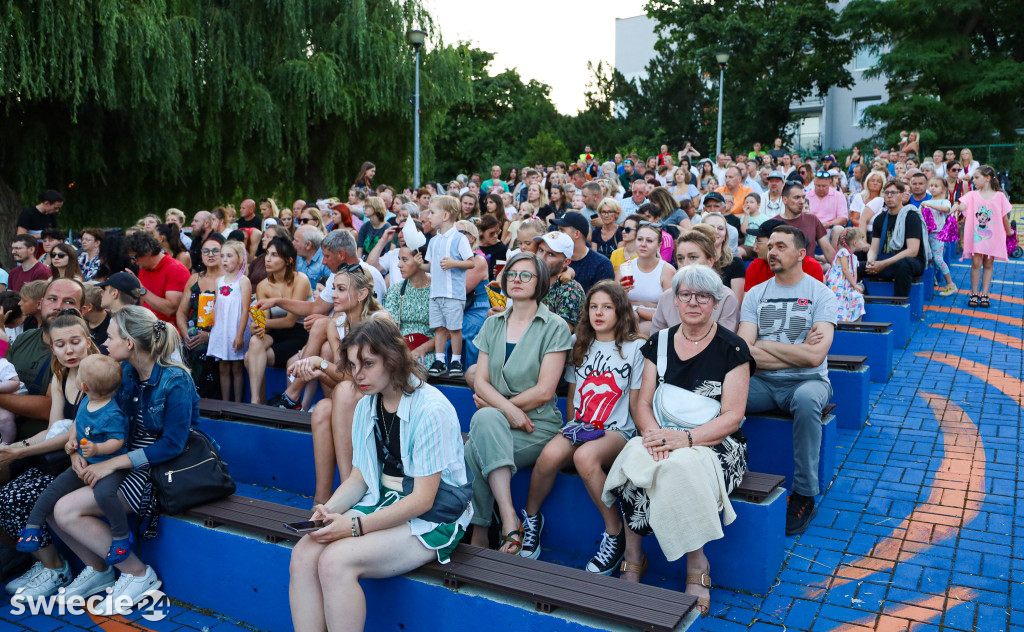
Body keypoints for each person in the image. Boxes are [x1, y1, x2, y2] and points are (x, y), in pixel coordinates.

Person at [288, 319, 471, 632]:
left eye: (368, 363)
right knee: (304, 553)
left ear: (393, 359)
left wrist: (354, 526)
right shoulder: (366, 405)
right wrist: (329, 511)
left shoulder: (431, 408)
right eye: (354, 364)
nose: (358, 374)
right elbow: (360, 478)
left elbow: (424, 499)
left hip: (436, 513)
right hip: (386, 500)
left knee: (335, 562)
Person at [604, 264, 752, 614]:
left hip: (716, 442)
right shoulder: (660, 341)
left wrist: (684, 440)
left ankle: (697, 564)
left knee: (679, 469)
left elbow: (732, 416)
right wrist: (654, 435)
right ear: (675, 299)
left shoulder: (733, 349)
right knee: (635, 459)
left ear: (716, 303)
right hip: (661, 431)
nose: (693, 302)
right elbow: (642, 402)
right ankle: (634, 553)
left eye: (703, 296)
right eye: (685, 294)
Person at [45, 306, 199, 614]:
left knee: (66, 510)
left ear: (129, 343)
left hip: (156, 468)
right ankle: (98, 570)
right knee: (48, 502)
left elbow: (172, 444)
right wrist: (77, 449)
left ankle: (138, 573)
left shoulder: (175, 380)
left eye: (111, 337)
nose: (104, 343)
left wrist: (112, 463)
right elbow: (91, 411)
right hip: (118, 457)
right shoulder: (124, 372)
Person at [518, 281, 642, 572]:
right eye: (594, 307)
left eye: (607, 307)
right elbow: (573, 396)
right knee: (549, 455)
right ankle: (532, 520)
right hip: (582, 424)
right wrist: (574, 429)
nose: (599, 313)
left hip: (617, 430)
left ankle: (615, 534)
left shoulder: (636, 348)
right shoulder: (579, 343)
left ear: (620, 310)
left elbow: (636, 403)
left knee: (583, 457)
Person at [465, 253, 572, 554]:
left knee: (472, 448)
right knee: (485, 424)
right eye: (512, 273)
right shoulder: (493, 324)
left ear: (540, 282)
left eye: (526, 275)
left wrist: (497, 407)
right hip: (503, 419)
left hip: (537, 424)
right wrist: (507, 410)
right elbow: (481, 381)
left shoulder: (554, 326)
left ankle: (481, 528)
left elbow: (544, 390)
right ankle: (510, 519)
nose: (516, 279)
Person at [738, 225, 836, 536]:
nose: (772, 251)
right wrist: (796, 350)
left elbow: (814, 358)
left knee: (807, 401)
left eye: (781, 246)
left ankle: (805, 494)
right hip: (763, 383)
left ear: (801, 254)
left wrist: (765, 345)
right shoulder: (756, 294)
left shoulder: (820, 294)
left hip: (808, 382)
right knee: (722, 392)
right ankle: (725, 472)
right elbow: (743, 353)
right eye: (770, 246)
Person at [0, 310, 99, 598]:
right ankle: (44, 563)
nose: (68, 350)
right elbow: (55, 429)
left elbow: (73, 437)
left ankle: (56, 568)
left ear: (89, 342)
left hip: (88, 460)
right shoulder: (60, 375)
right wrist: (16, 447)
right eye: (60, 344)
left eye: (75, 341)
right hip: (60, 457)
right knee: (6, 493)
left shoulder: (96, 375)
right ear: (51, 347)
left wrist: (18, 454)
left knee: (14, 496)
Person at [17, 355, 132, 566]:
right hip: (84, 464)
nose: (76, 375)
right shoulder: (87, 399)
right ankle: (33, 526)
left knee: (104, 494)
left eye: (79, 374)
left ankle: (120, 536)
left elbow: (118, 440)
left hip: (109, 467)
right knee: (53, 489)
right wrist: (72, 443)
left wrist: (98, 448)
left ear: (84, 385)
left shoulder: (112, 412)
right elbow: (78, 425)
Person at [244, 237, 312, 405]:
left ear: (288, 260)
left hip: (299, 333)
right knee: (254, 342)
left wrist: (262, 324)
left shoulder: (300, 279)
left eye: (274, 255)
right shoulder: (263, 286)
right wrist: (257, 327)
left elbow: (290, 321)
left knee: (249, 358)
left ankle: (259, 403)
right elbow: (264, 325)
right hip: (276, 334)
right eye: (267, 254)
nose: (267, 259)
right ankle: (256, 401)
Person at [652, 229, 741, 333]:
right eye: (680, 258)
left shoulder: (726, 297)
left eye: (693, 257)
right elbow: (657, 342)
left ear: (710, 261)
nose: (685, 264)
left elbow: (726, 343)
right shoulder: (666, 297)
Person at [425, 196, 474, 379]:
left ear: (445, 215)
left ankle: (455, 360)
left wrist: (454, 263)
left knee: (454, 328)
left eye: (432, 212)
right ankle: (439, 360)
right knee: (439, 328)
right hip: (435, 293)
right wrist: (417, 265)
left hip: (453, 293)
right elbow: (430, 266)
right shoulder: (434, 241)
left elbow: (471, 263)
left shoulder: (459, 239)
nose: (429, 216)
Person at [952, 165, 1012, 308]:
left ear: (988, 178)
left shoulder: (1000, 196)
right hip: (977, 237)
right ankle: (974, 292)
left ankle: (984, 293)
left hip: (993, 237)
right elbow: (962, 205)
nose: (974, 181)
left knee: (988, 264)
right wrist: (955, 207)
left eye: (977, 177)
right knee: (976, 264)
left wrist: (1009, 233)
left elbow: (1004, 218)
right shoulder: (972, 195)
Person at [175, 235, 225, 400]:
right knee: (176, 351)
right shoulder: (194, 279)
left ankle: (202, 403)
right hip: (193, 333)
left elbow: (234, 320)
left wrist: (210, 336)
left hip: (220, 336)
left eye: (215, 251)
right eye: (206, 251)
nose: (210, 254)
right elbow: (181, 313)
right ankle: (179, 400)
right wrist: (185, 334)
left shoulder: (229, 281)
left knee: (200, 353)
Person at [865, 179, 928, 298]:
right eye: (886, 193)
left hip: (910, 262)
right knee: (856, 263)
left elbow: (912, 251)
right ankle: (862, 300)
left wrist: (883, 264)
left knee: (903, 264)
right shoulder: (880, 219)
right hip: (885, 260)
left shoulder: (911, 217)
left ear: (902, 195)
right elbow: (874, 248)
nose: (889, 196)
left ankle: (898, 302)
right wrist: (871, 261)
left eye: (893, 193)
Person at [207, 241, 252, 402]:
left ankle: (238, 403)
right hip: (221, 329)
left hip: (235, 329)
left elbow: (245, 310)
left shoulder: (243, 281)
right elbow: (218, 306)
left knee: (236, 366)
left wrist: (240, 335)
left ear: (240, 259)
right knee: (223, 366)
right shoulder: (219, 281)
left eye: (229, 256)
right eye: (222, 256)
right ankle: (225, 402)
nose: (224, 260)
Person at [617, 224, 675, 336]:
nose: (643, 244)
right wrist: (620, 293)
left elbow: (670, 313)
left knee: (643, 328)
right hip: (627, 319)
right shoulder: (625, 268)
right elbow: (614, 305)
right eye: (639, 239)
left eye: (649, 241)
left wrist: (638, 310)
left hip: (656, 321)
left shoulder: (666, 270)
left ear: (659, 246)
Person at [382, 244, 434, 367]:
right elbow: (389, 328)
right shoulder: (396, 290)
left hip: (429, 349)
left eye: (404, 260)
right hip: (399, 347)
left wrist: (423, 348)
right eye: (399, 259)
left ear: (419, 259)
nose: (399, 265)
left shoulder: (436, 290)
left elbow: (446, 331)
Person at [123, 232, 190, 324]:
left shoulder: (176, 269)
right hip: (147, 325)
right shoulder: (144, 269)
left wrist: (141, 289)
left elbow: (170, 310)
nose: (132, 262)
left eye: (134, 258)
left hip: (168, 331)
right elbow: (142, 304)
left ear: (148, 252)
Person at [743, 219, 825, 292]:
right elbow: (749, 305)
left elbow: (817, 304)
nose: (754, 247)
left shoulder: (812, 266)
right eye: (770, 247)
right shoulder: (755, 267)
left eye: (759, 242)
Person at [551, 212, 614, 294]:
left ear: (577, 234)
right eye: (558, 230)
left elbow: (603, 300)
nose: (558, 234)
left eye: (562, 230)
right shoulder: (554, 258)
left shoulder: (602, 265)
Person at [778, 183, 836, 266]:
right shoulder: (774, 223)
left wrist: (841, 271)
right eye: (797, 197)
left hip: (810, 272)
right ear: (785, 200)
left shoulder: (812, 219)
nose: (802, 201)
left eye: (803, 197)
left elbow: (828, 251)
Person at [920, 178, 957, 296]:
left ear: (943, 189)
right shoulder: (926, 202)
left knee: (938, 258)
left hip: (938, 235)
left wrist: (928, 204)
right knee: (930, 259)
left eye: (936, 186)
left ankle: (950, 284)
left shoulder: (944, 201)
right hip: (926, 234)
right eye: (931, 185)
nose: (932, 188)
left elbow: (947, 209)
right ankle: (933, 279)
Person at [700, 213, 746, 304]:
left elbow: (737, 304)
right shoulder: (692, 261)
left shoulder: (736, 263)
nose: (716, 231)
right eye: (711, 227)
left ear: (725, 235)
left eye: (720, 228)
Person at [824, 228, 867, 322]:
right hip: (838, 285)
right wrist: (854, 285)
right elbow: (845, 269)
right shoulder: (843, 252)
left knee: (858, 298)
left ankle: (857, 327)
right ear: (855, 243)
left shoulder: (854, 258)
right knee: (839, 303)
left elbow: (854, 274)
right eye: (862, 240)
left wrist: (854, 285)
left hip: (848, 286)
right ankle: (838, 322)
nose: (864, 243)